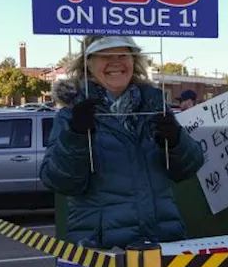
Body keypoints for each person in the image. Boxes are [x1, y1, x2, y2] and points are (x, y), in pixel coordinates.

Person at [41, 35, 205, 249]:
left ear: (133, 61)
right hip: (102, 249)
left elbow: (188, 168)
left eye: (122, 54)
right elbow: (58, 181)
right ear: (88, 64)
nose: (115, 62)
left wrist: (176, 141)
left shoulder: (154, 107)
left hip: (163, 242)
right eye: (105, 55)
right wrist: (76, 136)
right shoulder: (71, 115)